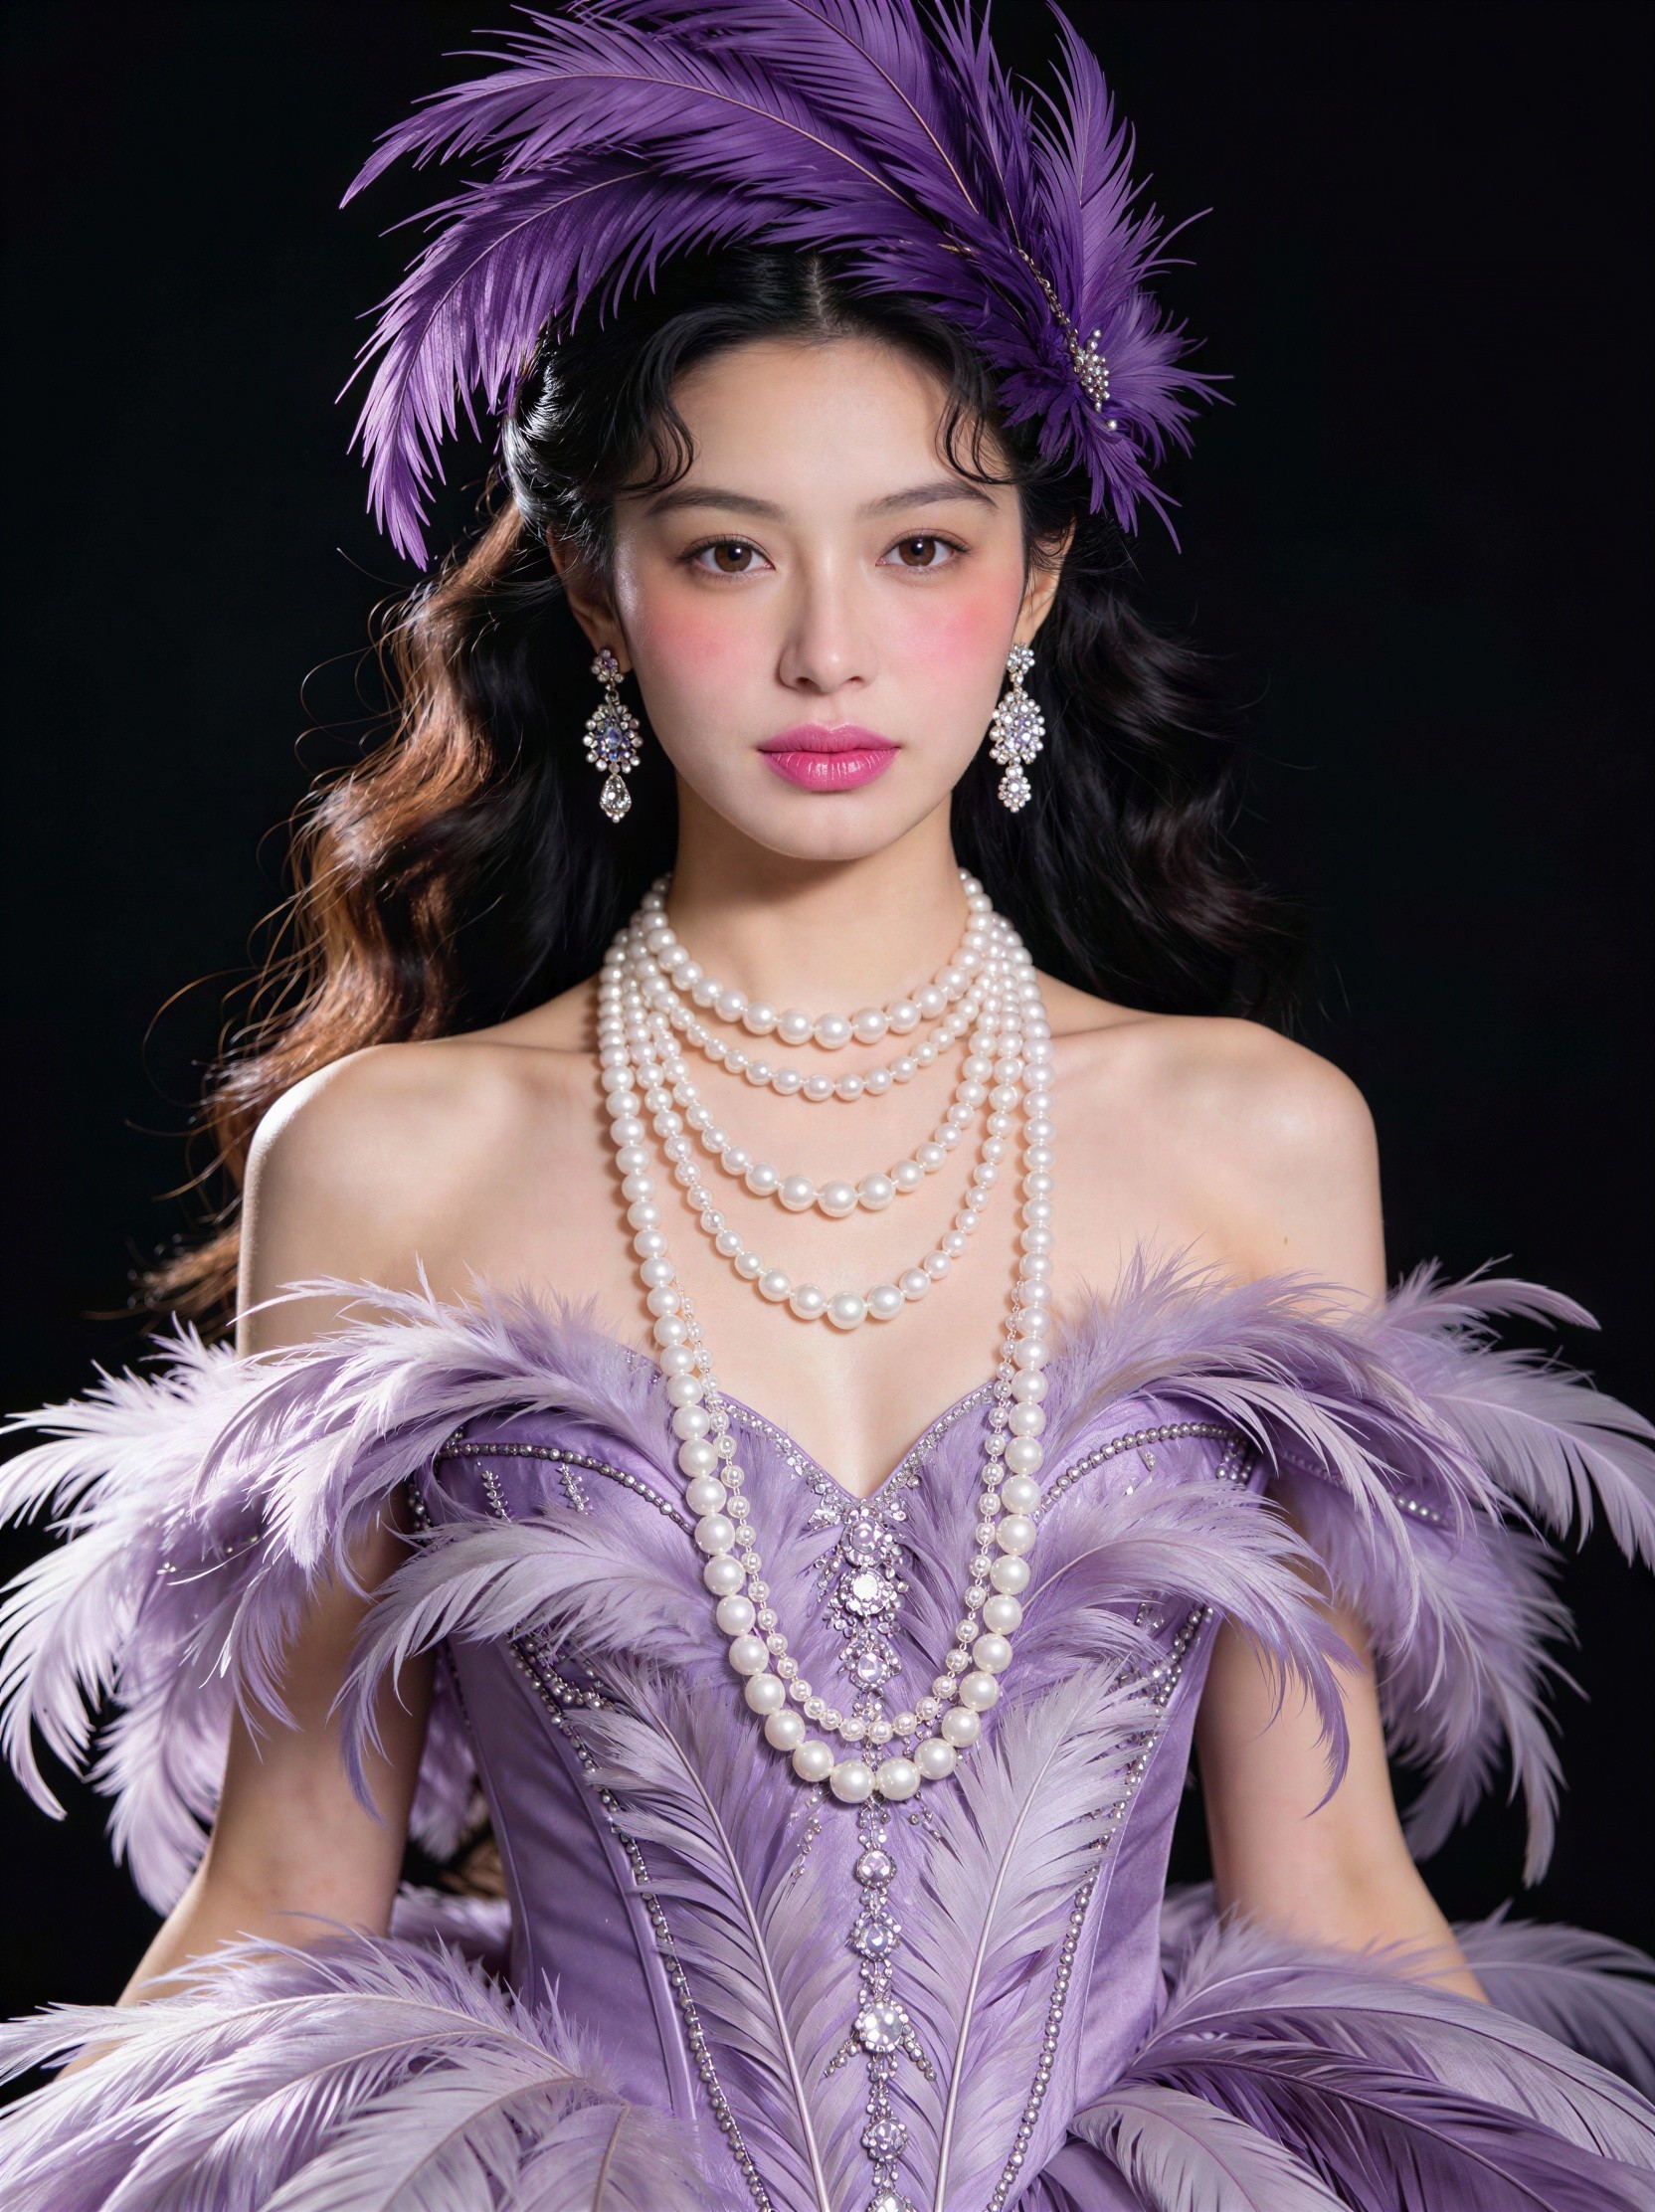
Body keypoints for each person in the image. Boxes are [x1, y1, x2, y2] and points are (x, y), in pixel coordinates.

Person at [1, 4, 1652, 2206]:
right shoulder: (395, 1158)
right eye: (722, 552)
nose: (827, 655)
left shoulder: (1253, 1137)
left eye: (918, 547)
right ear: (595, 588)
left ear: (1036, 581)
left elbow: (1328, 1887)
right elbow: (291, 1884)